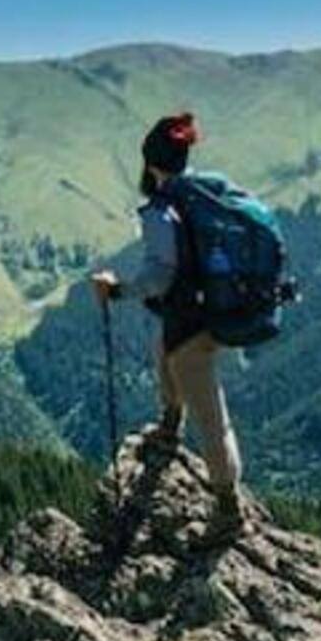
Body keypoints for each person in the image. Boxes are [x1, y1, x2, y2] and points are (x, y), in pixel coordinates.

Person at [90, 112, 248, 542]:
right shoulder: (203, 192)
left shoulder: (164, 211)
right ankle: (170, 423)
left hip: (192, 321)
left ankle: (228, 509)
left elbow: (159, 275)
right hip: (208, 309)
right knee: (166, 352)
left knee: (211, 415)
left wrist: (118, 290)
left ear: (152, 163)